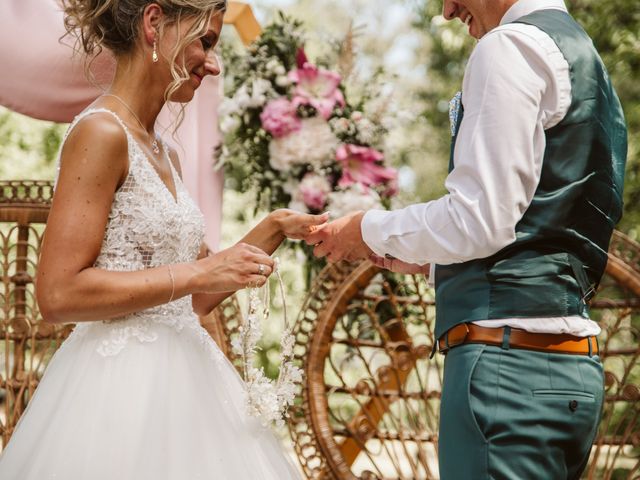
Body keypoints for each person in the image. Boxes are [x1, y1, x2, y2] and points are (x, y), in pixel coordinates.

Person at [0, 1, 327, 478]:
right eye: (206, 42)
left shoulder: (166, 149)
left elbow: (190, 299)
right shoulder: (99, 133)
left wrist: (274, 227)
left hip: (189, 381)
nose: (213, 63)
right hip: (116, 394)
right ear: (154, 24)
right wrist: (200, 270)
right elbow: (57, 294)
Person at [305, 0, 627, 478]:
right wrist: (432, 264)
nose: (447, 9)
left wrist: (367, 227)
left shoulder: (508, 48)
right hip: (571, 375)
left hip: (506, 374)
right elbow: (544, 223)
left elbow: (480, 217)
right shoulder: (588, 64)